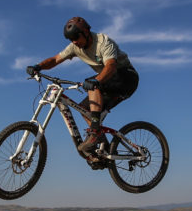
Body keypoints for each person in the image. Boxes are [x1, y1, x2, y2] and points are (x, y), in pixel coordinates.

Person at [26, 16, 139, 155]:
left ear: (86, 32)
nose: (74, 42)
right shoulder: (75, 46)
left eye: (76, 37)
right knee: (84, 109)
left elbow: (111, 66)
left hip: (126, 77)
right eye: (71, 39)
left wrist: (96, 81)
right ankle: (103, 147)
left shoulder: (103, 42)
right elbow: (55, 59)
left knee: (92, 84)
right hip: (109, 82)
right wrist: (38, 66)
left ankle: (95, 132)